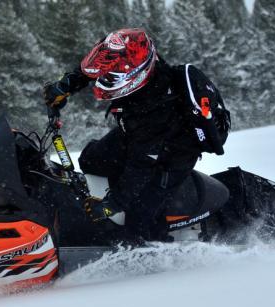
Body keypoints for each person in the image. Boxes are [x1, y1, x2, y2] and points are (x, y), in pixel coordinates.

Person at [43, 28, 231, 242]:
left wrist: (111, 206)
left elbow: (139, 168)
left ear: (134, 76)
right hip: (135, 136)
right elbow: (103, 62)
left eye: (110, 79)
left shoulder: (154, 113)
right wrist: (67, 84)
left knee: (139, 223)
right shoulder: (138, 56)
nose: (103, 81)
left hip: (171, 158)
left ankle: (155, 258)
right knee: (90, 159)